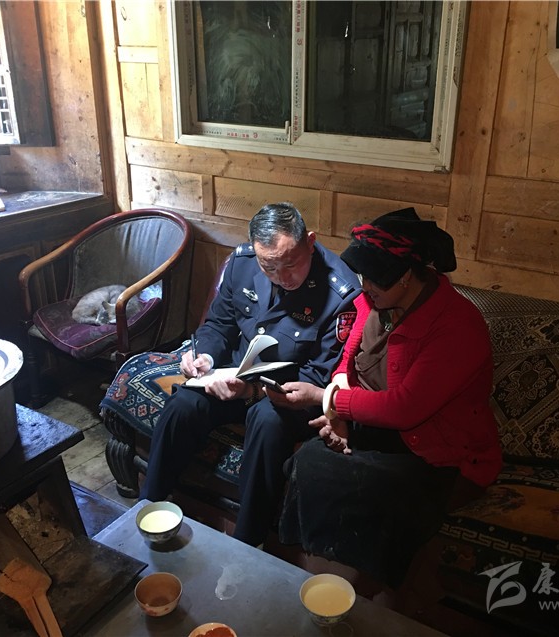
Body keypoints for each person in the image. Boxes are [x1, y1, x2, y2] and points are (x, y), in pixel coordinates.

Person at [268, 207, 502, 588]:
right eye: (363, 276)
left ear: (406, 276)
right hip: (385, 432)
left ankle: (368, 592)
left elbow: (405, 407)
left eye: (375, 278)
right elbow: (347, 361)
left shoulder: (457, 326)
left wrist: (328, 400)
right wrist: (339, 416)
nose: (365, 286)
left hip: (440, 454)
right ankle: (309, 574)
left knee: (382, 494)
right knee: (308, 460)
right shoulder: (374, 303)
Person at [140, 202, 360, 546]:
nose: (282, 277)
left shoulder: (340, 291)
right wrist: (203, 357)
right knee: (184, 404)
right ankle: (150, 508)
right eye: (268, 266)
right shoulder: (241, 263)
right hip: (236, 374)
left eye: (291, 264)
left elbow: (321, 375)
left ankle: (248, 540)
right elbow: (218, 325)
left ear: (310, 242)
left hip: (290, 391)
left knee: (267, 421)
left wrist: (253, 392)